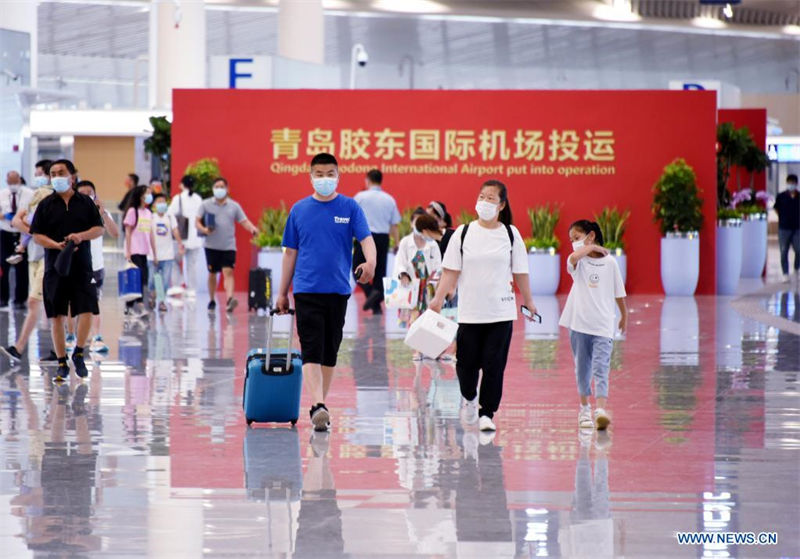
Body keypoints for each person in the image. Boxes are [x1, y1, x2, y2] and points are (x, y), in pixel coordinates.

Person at [276, 152, 376, 432]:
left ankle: (320, 404)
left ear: (338, 175)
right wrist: (283, 292)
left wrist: (371, 262)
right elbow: (289, 254)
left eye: (329, 173)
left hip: (338, 290)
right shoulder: (298, 210)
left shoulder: (350, 207)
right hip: (306, 289)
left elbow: (366, 239)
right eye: (318, 174)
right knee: (311, 347)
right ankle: (318, 404)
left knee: (330, 349)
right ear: (310, 176)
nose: (324, 179)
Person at [429, 179, 537, 433]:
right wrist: (437, 299)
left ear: (501, 205)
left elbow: (521, 272)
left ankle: (487, 412)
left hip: (500, 311)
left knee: (494, 365)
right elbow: (450, 271)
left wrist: (529, 301)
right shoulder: (463, 233)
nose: (485, 202)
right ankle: (469, 398)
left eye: (491, 198)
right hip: (470, 313)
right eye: (482, 196)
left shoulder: (510, 234)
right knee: (465, 365)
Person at [29, 159, 104, 381]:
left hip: (82, 266)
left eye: (61, 172)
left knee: (87, 309)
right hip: (55, 267)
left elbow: (98, 229)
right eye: (53, 174)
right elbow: (36, 235)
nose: (56, 177)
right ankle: (62, 362)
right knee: (57, 316)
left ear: (72, 175)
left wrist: (81, 236)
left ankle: (79, 352)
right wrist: (55, 244)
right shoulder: (46, 204)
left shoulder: (86, 203)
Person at [558, 219, 628, 431]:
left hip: (603, 326)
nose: (574, 243)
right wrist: (591, 247)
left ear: (591, 235)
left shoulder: (610, 263)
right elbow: (572, 258)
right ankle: (584, 408)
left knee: (601, 367)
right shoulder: (579, 264)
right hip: (579, 325)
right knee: (582, 368)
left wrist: (624, 315)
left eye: (577, 238)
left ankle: (600, 410)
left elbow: (618, 292)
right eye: (571, 240)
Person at [1, 163, 53, 363]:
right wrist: (28, 238)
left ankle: (19, 347)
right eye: (37, 174)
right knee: (49, 307)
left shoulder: (48, 197)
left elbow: (23, 221)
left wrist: (29, 229)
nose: (38, 177)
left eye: (42, 174)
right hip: (34, 254)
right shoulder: (35, 197)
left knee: (34, 302)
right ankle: (63, 349)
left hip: (46, 257)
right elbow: (18, 220)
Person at [195, 177, 259, 313]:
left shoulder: (234, 206)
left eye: (222, 187)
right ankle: (212, 299)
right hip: (211, 245)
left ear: (227, 189)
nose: (219, 189)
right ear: (213, 189)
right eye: (216, 187)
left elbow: (244, 221)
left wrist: (252, 228)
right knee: (212, 273)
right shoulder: (205, 204)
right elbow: (197, 221)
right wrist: (204, 230)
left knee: (228, 271)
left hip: (228, 245)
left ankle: (230, 299)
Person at [76, 180, 119, 352]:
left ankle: (96, 337)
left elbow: (115, 233)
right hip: (76, 265)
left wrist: (103, 213)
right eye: (83, 192)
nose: (87, 195)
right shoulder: (70, 213)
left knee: (94, 303)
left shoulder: (101, 213)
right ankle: (74, 337)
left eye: (90, 192)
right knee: (75, 304)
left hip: (96, 266)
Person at [353, 169, 401, 315]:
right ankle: (375, 301)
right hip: (382, 238)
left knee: (356, 269)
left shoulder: (360, 197)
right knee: (380, 271)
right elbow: (394, 224)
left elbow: (351, 219)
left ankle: (370, 293)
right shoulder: (389, 199)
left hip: (364, 238)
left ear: (367, 180)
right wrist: (396, 243)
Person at [393, 209, 442, 333]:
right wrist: (403, 273)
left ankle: (425, 346)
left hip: (428, 287)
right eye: (416, 222)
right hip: (411, 285)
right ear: (411, 224)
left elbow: (438, 266)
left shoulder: (432, 244)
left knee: (428, 318)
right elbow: (400, 262)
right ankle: (416, 350)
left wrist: (435, 281)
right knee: (413, 319)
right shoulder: (405, 242)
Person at [0, 170, 33, 310]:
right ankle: (3, 298)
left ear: (19, 180)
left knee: (22, 268)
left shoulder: (29, 194)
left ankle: (20, 299)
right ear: (7, 182)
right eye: (10, 182)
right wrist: (4, 216)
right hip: (5, 233)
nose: (13, 184)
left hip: (22, 234)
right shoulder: (2, 194)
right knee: (2, 266)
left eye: (15, 181)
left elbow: (33, 213)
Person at [168, 175, 203, 299]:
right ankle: (191, 289)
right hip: (196, 238)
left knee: (175, 261)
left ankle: (177, 285)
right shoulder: (198, 199)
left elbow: (170, 214)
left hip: (181, 238)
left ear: (183, 185)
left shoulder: (178, 198)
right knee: (192, 264)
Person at [123, 185, 155, 316]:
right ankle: (140, 304)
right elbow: (128, 232)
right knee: (138, 278)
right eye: (147, 193)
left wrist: (155, 253)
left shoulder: (148, 213)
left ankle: (129, 305)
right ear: (140, 195)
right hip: (135, 250)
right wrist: (128, 251)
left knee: (143, 278)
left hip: (144, 251)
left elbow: (151, 234)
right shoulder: (132, 211)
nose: (149, 195)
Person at [150, 192, 184, 312]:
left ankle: (162, 302)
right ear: (154, 204)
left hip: (167, 255)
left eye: (163, 202)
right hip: (152, 255)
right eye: (159, 202)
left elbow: (175, 231)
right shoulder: (151, 217)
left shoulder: (170, 217)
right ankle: (152, 297)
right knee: (152, 280)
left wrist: (180, 243)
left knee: (164, 281)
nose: (161, 204)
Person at [774, 173, 799, 283]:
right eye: (789, 183)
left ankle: (796, 269)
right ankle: (785, 273)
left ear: (796, 184)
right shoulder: (781, 196)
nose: (791, 185)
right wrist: (782, 217)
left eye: (793, 183)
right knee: (784, 251)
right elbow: (776, 208)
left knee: (799, 250)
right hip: (784, 228)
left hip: (797, 228)